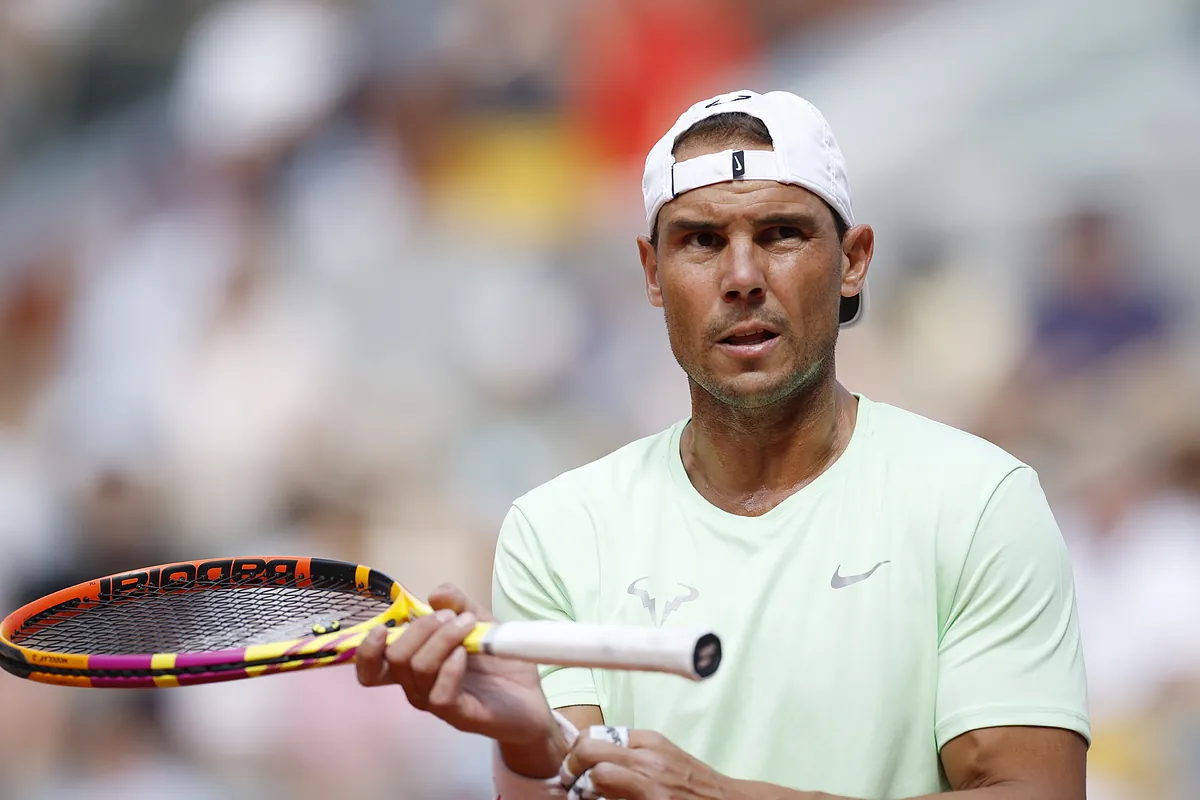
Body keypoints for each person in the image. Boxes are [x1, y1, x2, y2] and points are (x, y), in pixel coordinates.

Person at [354, 90, 1090, 800]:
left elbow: (1037, 792)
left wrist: (721, 796)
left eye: (781, 234)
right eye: (702, 241)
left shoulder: (978, 501)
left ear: (854, 261)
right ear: (652, 272)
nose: (742, 277)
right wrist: (529, 749)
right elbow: (561, 786)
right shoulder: (556, 529)